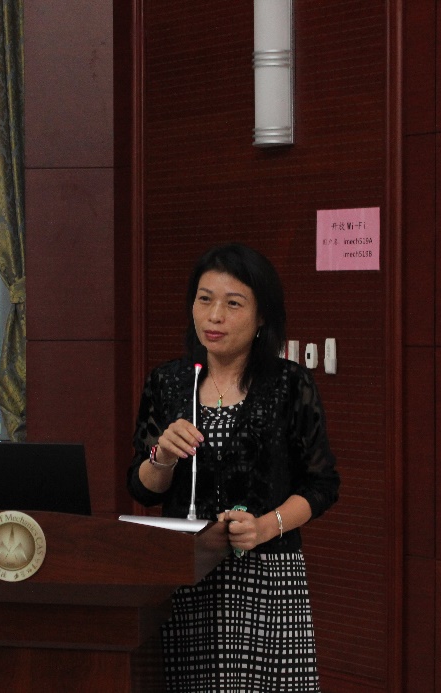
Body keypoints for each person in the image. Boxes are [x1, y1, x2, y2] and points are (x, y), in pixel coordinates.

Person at [127, 243, 340, 692]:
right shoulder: (168, 382)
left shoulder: (290, 384)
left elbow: (321, 485)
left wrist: (264, 526)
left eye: (233, 303)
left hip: (267, 576)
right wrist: (161, 457)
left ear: (262, 317)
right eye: (204, 299)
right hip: (184, 576)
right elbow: (143, 488)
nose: (215, 316)